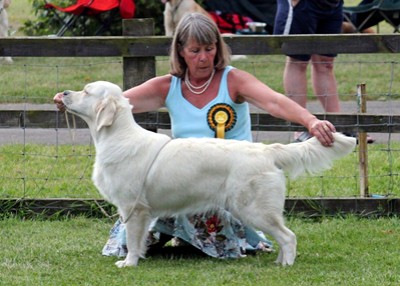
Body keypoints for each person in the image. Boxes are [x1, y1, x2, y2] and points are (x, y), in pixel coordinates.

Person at [54, 12, 336, 259]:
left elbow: (275, 102)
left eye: (210, 49)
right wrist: (73, 101)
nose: (203, 57)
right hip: (181, 181)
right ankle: (183, 236)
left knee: (196, 212)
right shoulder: (168, 85)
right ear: (180, 52)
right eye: (195, 50)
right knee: (128, 236)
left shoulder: (233, 79)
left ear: (218, 49)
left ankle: (229, 237)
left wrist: (310, 121)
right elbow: (112, 104)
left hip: (230, 179)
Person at [273, 0, 345, 142]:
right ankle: (300, 129)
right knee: (298, 61)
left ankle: (337, 125)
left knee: (326, 63)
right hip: (303, 4)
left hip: (333, 4)